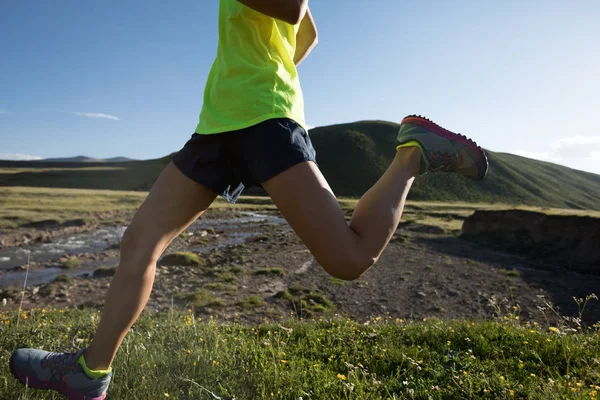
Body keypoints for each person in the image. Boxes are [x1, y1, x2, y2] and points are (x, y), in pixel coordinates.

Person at [9, 0, 488, 398]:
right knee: (138, 244)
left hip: (263, 120)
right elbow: (307, 32)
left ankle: (412, 154)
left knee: (349, 257)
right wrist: (266, 63)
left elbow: (292, 6)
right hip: (216, 125)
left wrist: (266, 78)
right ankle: (90, 374)